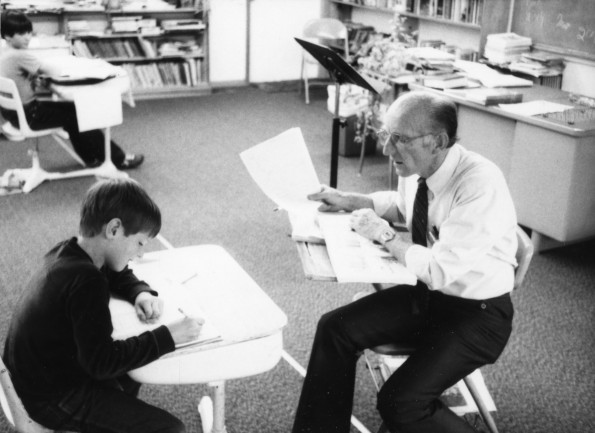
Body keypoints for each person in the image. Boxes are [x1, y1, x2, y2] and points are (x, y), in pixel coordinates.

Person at [292, 90, 518, 433]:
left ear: (437, 141)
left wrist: (384, 236)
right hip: (428, 298)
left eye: (398, 139)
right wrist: (348, 199)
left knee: (401, 402)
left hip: (478, 315)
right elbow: (403, 206)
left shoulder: (479, 183)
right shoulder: (419, 166)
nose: (387, 149)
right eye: (386, 135)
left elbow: (439, 270)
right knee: (334, 328)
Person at [3, 178, 204, 433]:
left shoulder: (71, 252)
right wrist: (168, 336)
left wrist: (139, 292)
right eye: (140, 243)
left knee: (129, 376)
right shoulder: (87, 281)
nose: (140, 253)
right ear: (114, 229)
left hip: (29, 377)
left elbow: (115, 272)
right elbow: (102, 363)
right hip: (49, 396)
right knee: (171, 429)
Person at [0, 10, 144, 169]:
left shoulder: (4, 52)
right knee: (80, 115)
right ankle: (118, 159)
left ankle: (90, 157)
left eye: (29, 32)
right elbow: (52, 70)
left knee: (74, 111)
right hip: (30, 114)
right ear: (8, 36)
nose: (27, 37)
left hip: (13, 113)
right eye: (21, 33)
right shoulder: (19, 54)